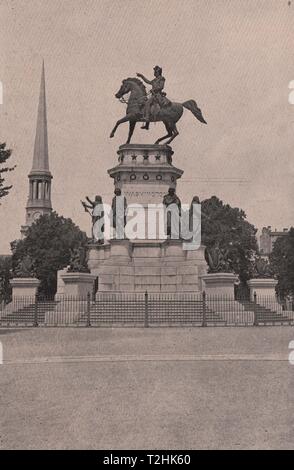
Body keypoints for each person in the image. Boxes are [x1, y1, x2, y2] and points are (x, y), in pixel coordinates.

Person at [137, 66, 170, 130]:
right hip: (153, 95)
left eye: (155, 72)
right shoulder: (155, 79)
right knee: (143, 101)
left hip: (158, 95)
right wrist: (142, 76)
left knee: (147, 103)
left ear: (158, 72)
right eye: (154, 72)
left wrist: (154, 90)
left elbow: (161, 87)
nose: (154, 73)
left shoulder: (162, 79)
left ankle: (146, 118)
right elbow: (148, 82)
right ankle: (147, 125)